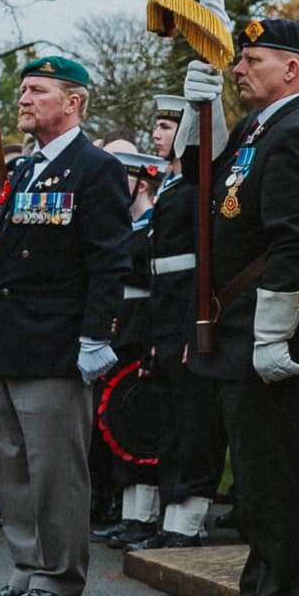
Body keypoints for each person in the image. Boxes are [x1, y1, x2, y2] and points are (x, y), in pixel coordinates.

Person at [180, 19, 299, 596]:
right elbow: (206, 186)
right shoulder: (260, 127)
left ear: (293, 69)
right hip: (240, 329)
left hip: (271, 332)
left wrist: (275, 334)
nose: (239, 68)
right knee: (252, 485)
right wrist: (201, 112)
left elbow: (297, 242)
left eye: (251, 60)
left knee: (274, 485)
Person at [0, 55, 132, 596]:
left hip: (57, 343)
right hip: (10, 337)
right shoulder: (27, 169)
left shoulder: (95, 169)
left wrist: (96, 336)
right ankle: (24, 571)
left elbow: (110, 262)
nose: (24, 100)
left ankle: (59, 580)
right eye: (23, 91)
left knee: (56, 468)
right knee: (12, 462)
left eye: (37, 90)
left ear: (73, 101)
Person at [131, 117, 227, 552]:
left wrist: (193, 326)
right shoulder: (175, 188)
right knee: (170, 423)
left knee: (194, 425)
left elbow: (202, 266)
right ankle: (169, 515)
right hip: (166, 317)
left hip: (187, 318)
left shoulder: (197, 192)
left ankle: (188, 520)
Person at [92, 146, 167, 548]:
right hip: (119, 328)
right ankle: (129, 514)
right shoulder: (121, 226)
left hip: (142, 329)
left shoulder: (155, 225)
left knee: (141, 422)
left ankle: (149, 517)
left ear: (142, 182)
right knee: (118, 423)